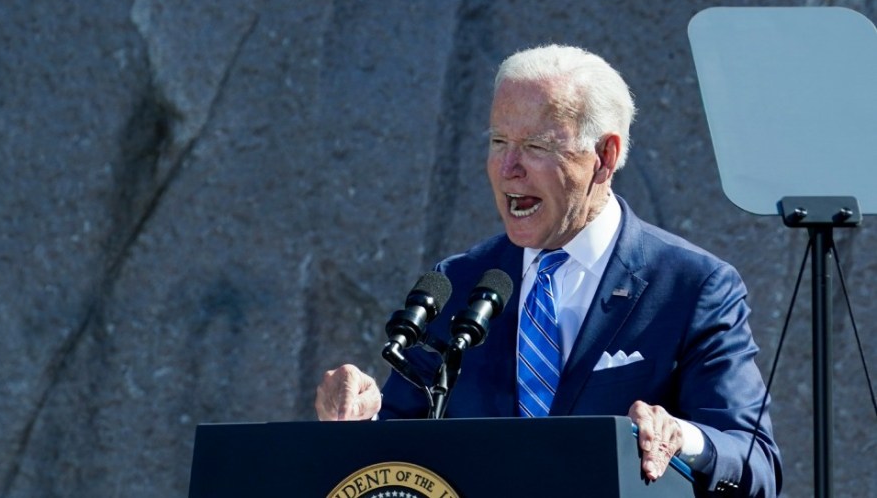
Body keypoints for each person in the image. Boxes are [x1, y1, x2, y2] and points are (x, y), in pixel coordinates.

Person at [315, 44, 782, 497]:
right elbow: (398, 457)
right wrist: (361, 422)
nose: (507, 167)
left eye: (535, 145)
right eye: (499, 142)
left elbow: (754, 461)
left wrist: (682, 436)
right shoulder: (458, 284)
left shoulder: (692, 287)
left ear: (606, 156)